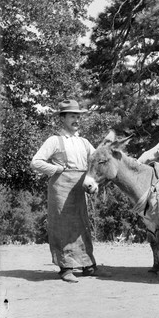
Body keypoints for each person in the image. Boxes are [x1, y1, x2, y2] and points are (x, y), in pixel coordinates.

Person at [30, 99, 109, 283]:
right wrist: (56, 170)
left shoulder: (84, 142)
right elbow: (36, 162)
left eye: (78, 116)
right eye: (72, 116)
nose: (76, 120)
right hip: (60, 188)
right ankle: (65, 268)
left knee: (83, 225)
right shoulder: (54, 141)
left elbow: (97, 159)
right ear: (63, 118)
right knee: (62, 226)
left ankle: (89, 266)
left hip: (80, 188)